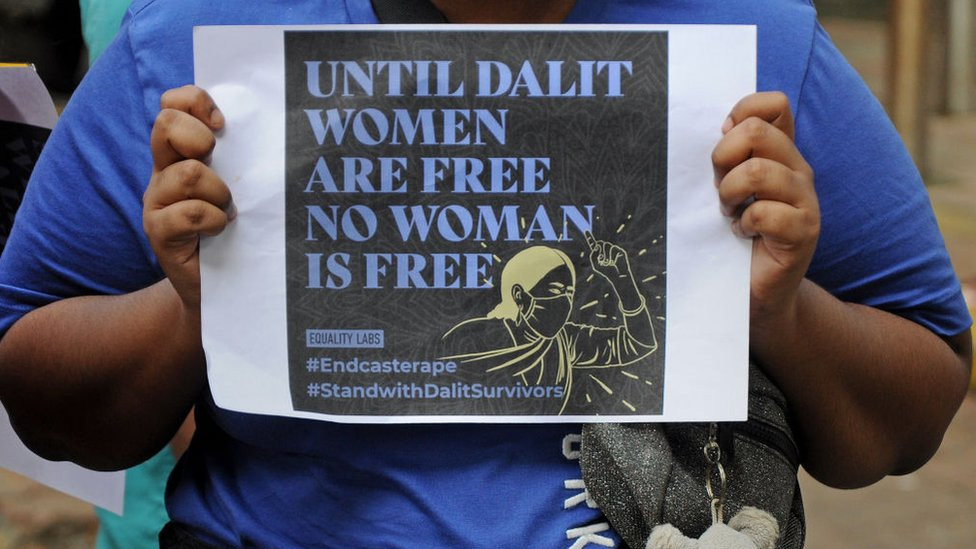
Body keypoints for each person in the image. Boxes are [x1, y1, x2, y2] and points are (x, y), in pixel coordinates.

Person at [0, 1, 971, 548]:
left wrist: (784, 311)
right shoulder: (198, 51)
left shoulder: (754, 47)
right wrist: (191, 308)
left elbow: (908, 416)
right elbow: (44, 405)